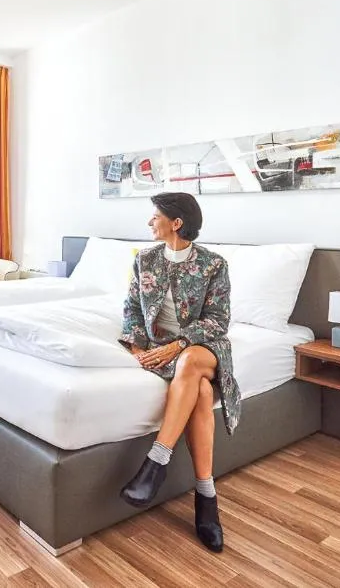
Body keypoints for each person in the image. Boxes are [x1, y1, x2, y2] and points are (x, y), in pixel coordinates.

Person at [117, 191, 235, 553]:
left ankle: (157, 460)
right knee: (201, 392)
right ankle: (206, 498)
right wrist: (138, 350)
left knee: (191, 361)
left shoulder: (213, 264)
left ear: (176, 222)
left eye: (155, 216)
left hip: (203, 348)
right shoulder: (145, 259)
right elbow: (131, 309)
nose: (150, 222)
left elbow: (218, 321)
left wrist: (179, 343)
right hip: (162, 349)